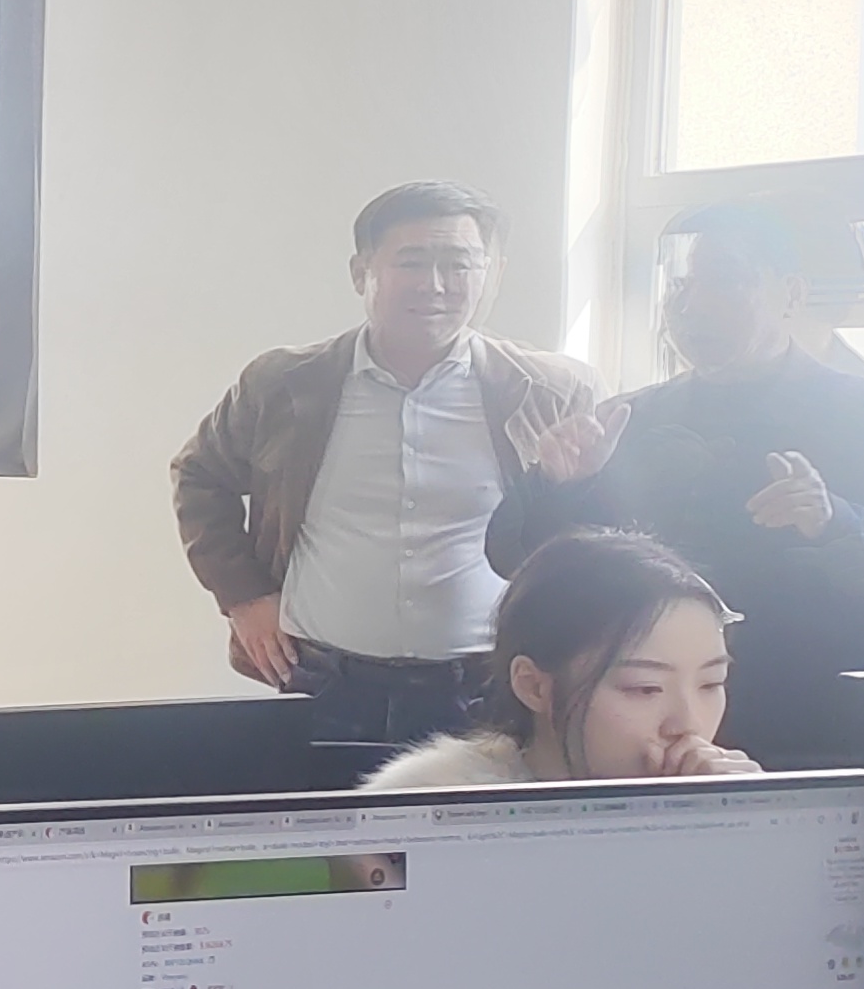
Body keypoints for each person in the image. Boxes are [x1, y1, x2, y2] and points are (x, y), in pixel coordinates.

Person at [488, 201, 864, 755]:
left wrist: (837, 523)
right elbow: (522, 564)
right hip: (659, 736)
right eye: (680, 286)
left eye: (725, 281)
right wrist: (559, 488)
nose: (693, 306)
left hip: (826, 729)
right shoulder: (630, 420)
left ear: (791, 294)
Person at [170, 180, 595, 745]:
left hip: (488, 686)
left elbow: (593, 531)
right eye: (412, 262)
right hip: (322, 680)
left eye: (459, 264)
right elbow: (200, 476)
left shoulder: (550, 391)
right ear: (360, 272)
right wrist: (244, 596)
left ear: (491, 273)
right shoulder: (283, 384)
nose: (435, 285)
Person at [366, 530, 758, 787]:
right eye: (644, 689)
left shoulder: (726, 800)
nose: (688, 724)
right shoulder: (422, 810)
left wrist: (745, 823)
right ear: (534, 686)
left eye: (711, 683)